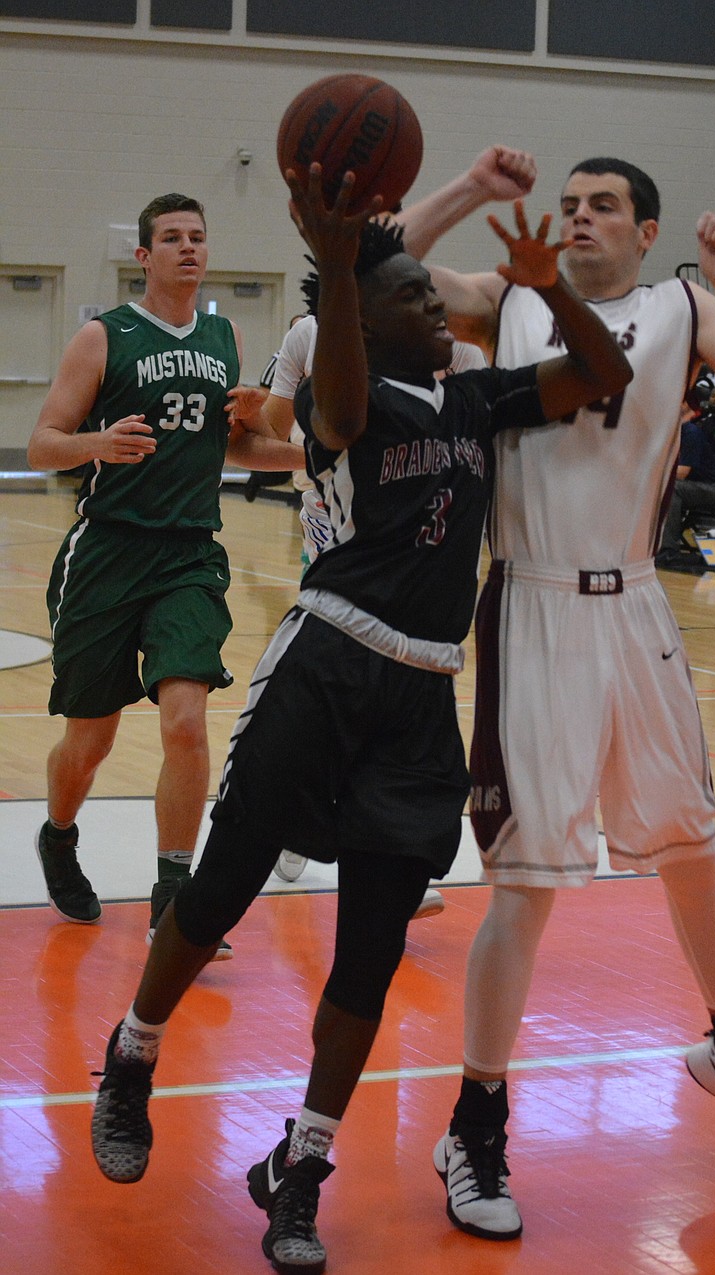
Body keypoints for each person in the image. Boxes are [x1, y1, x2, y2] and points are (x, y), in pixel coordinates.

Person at [88, 164, 631, 1275]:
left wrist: (547, 285)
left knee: (371, 951)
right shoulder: (345, 398)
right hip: (326, 665)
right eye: (415, 297)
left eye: (436, 294)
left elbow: (601, 373)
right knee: (221, 887)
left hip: (422, 693)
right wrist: (337, 269)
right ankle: (134, 1053)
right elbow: (333, 404)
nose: (438, 307)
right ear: (369, 319)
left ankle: (301, 1171)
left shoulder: (474, 398)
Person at [398, 152, 715, 1241]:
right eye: (570, 204)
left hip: (637, 602)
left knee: (691, 846)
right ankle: (474, 1125)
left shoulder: (683, 307)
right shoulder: (508, 301)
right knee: (526, 882)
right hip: (532, 603)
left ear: (645, 234)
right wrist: (472, 189)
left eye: (604, 207)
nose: (580, 218)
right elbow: (384, 258)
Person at [28, 192, 304, 959]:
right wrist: (96, 443)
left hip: (188, 554)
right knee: (91, 741)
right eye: (173, 238)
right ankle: (58, 834)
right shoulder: (103, 336)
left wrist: (317, 454)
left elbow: (228, 446)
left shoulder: (224, 336)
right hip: (107, 554)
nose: (189, 248)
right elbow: (43, 442)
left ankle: (175, 897)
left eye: (198, 237)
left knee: (185, 719)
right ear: (144, 256)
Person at [233, 313, 487, 907]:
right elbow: (257, 442)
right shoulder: (309, 335)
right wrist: (309, 451)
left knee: (396, 699)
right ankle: (291, 815)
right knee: (329, 687)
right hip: (336, 528)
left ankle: (383, 857)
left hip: (423, 537)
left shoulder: (458, 350)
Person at [656, 405, 715, 561]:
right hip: (693, 485)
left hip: (713, 488)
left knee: (672, 489)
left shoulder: (690, 434)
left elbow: (682, 473)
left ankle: (668, 549)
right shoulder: (669, 436)